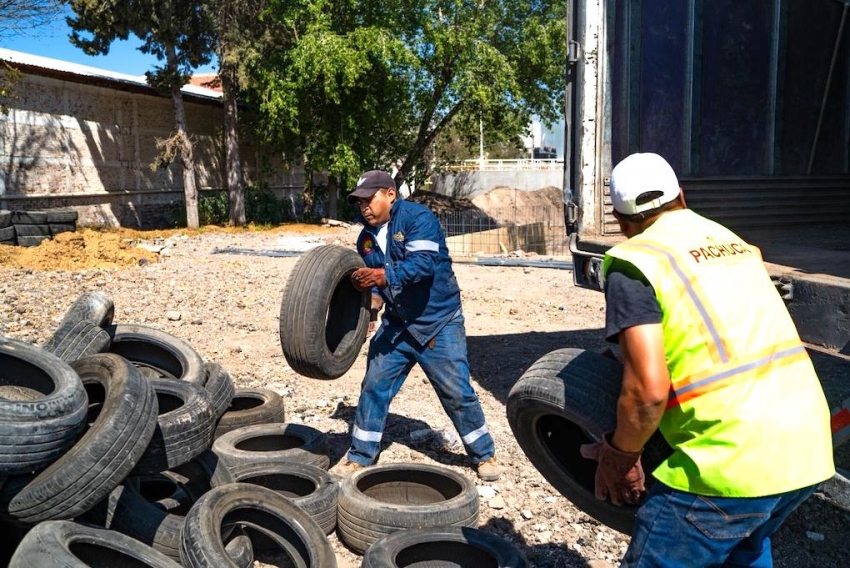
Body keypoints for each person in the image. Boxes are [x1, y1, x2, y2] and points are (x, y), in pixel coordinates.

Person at [580, 153, 835, 567]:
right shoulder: (731, 242)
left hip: (727, 464)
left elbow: (646, 392)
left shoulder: (637, 262)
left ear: (621, 221)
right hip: (807, 449)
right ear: (682, 196)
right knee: (743, 547)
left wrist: (620, 457)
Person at [337, 169, 501, 481]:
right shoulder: (366, 240)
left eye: (368, 199)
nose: (364, 207)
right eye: (358, 202)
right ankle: (360, 455)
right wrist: (368, 313)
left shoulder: (417, 219)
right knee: (374, 385)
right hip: (397, 325)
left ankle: (484, 454)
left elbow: (423, 265)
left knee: (456, 390)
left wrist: (381, 277)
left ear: (390, 194)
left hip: (437, 321)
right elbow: (375, 289)